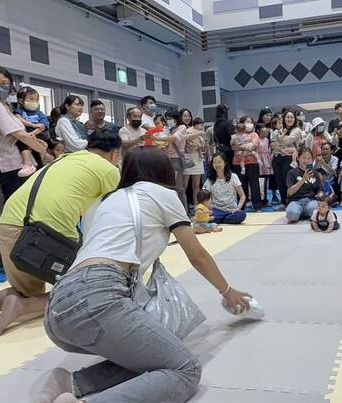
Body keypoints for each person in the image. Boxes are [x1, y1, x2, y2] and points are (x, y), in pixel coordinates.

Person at [39, 147, 251, 403]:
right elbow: (198, 256)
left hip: (56, 306)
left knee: (155, 355)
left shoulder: (106, 201)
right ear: (163, 172)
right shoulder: (163, 194)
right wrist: (227, 291)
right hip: (98, 295)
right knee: (185, 369)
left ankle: (70, 382)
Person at [0, 130, 122, 345]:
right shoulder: (108, 170)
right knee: (89, 290)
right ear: (114, 153)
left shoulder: (64, 159)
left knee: (26, 292)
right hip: (50, 236)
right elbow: (112, 213)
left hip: (8, 224)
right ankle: (22, 307)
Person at [0, 67, 50, 199]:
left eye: (4, 83)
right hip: (11, 165)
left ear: (11, 85)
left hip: (17, 163)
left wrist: (35, 142)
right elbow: (19, 134)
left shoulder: (4, 105)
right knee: (20, 204)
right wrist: (42, 151)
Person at [14, 86, 50, 177]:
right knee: (22, 143)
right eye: (31, 99)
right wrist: (32, 125)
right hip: (26, 136)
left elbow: (42, 127)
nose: (35, 102)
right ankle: (27, 164)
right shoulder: (19, 111)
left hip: (38, 136)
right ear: (21, 101)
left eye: (37, 100)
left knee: (38, 157)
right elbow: (18, 119)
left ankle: (41, 168)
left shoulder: (40, 113)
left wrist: (31, 134)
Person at [203, 152, 247, 224]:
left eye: (219, 162)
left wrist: (238, 208)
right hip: (216, 211)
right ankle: (225, 220)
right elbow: (204, 196)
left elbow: (242, 196)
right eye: (214, 163)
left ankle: (222, 220)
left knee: (241, 215)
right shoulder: (210, 180)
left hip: (231, 211)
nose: (217, 165)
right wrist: (206, 209)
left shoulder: (233, 177)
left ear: (225, 163)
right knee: (206, 216)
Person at [271, 110, 303, 208]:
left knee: (288, 181)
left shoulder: (296, 130)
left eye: (291, 117)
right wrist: (276, 142)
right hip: (277, 158)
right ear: (284, 118)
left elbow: (286, 140)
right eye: (287, 117)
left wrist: (277, 141)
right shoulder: (280, 129)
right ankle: (284, 202)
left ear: (295, 119)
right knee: (280, 182)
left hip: (289, 158)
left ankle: (291, 202)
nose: (289, 119)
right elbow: (272, 143)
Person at [230, 115, 262, 211]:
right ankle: (241, 206)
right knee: (241, 185)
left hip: (252, 162)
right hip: (238, 163)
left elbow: (253, 145)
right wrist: (244, 147)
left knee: (254, 184)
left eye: (250, 122)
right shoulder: (235, 135)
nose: (249, 124)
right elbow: (233, 147)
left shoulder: (254, 135)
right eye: (246, 122)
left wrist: (240, 147)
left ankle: (257, 206)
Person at [285, 147, 321, 223]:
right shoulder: (292, 173)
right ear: (298, 158)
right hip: (295, 201)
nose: (306, 161)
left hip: (311, 201)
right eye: (304, 158)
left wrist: (322, 196)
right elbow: (290, 192)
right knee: (291, 214)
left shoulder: (315, 174)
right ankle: (299, 213)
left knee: (315, 209)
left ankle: (307, 214)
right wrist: (303, 179)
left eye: (309, 158)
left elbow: (319, 190)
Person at [184, 116, 207, 209]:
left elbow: (203, 145)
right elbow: (187, 140)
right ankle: (183, 206)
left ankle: (196, 205)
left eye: (202, 125)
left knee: (196, 185)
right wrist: (199, 134)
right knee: (184, 185)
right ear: (195, 124)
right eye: (200, 125)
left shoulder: (201, 132)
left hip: (198, 159)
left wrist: (200, 146)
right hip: (188, 159)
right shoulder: (188, 131)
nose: (201, 126)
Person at [256, 122, 274, 205]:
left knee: (265, 180)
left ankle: (265, 199)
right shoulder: (256, 140)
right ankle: (260, 199)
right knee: (259, 181)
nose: (266, 130)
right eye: (263, 128)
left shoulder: (267, 140)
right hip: (259, 161)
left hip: (266, 161)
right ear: (258, 130)